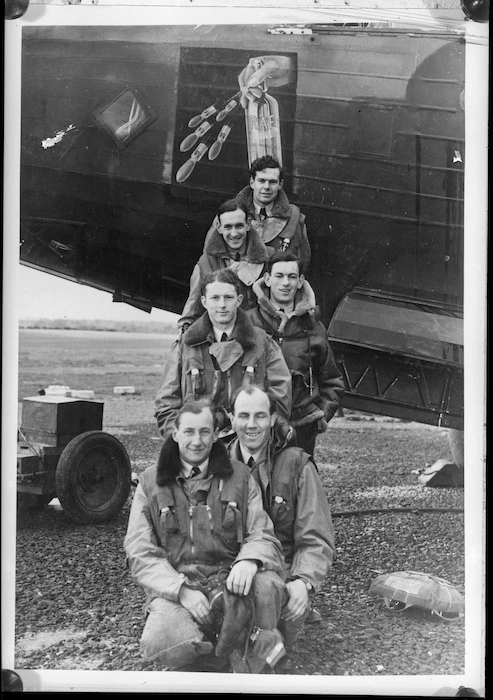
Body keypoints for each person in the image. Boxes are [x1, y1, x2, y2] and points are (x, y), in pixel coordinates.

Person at [124, 400, 288, 672]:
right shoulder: (150, 482)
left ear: (215, 435)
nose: (196, 441)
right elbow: (139, 551)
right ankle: (224, 646)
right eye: (189, 432)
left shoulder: (240, 477)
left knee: (267, 586)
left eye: (204, 432)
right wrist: (181, 590)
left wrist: (248, 561)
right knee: (159, 642)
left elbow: (262, 532)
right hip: (180, 586)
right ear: (175, 434)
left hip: (232, 584)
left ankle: (242, 646)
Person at [228, 385, 335, 669]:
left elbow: (317, 538)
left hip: (282, 575)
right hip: (231, 574)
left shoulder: (297, 464)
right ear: (231, 419)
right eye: (244, 416)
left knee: (270, 641)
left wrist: (304, 582)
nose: (251, 425)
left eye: (260, 416)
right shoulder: (217, 466)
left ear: (274, 418)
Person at [154, 267, 293, 442]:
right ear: (204, 301)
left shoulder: (262, 343)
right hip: (199, 444)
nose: (222, 305)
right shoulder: (185, 346)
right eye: (215, 298)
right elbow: (166, 402)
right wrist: (182, 440)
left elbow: (281, 397)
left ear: (239, 300)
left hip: (250, 444)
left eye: (228, 297)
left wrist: (260, 437)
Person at [247, 251, 345, 456]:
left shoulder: (314, 328)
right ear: (267, 279)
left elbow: (332, 380)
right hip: (256, 425)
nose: (286, 283)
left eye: (292, 277)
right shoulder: (248, 323)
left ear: (300, 281)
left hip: (301, 428)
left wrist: (319, 417)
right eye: (279, 276)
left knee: (298, 484)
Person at [203, 155, 311, 273]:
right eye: (261, 181)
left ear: (280, 184)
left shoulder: (294, 218)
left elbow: (302, 261)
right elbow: (210, 258)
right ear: (252, 182)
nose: (266, 187)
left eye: (272, 182)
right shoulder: (228, 214)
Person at [178, 200, 270, 332]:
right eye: (228, 227)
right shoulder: (205, 263)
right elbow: (192, 309)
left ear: (248, 224)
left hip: (256, 336)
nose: (234, 234)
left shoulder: (268, 259)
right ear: (219, 227)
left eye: (239, 226)